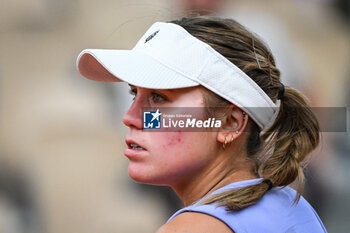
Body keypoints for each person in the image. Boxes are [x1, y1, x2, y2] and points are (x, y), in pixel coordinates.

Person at [76, 16, 327, 233]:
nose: (130, 117)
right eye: (134, 94)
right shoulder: (292, 206)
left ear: (230, 123)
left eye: (159, 97)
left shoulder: (190, 228)